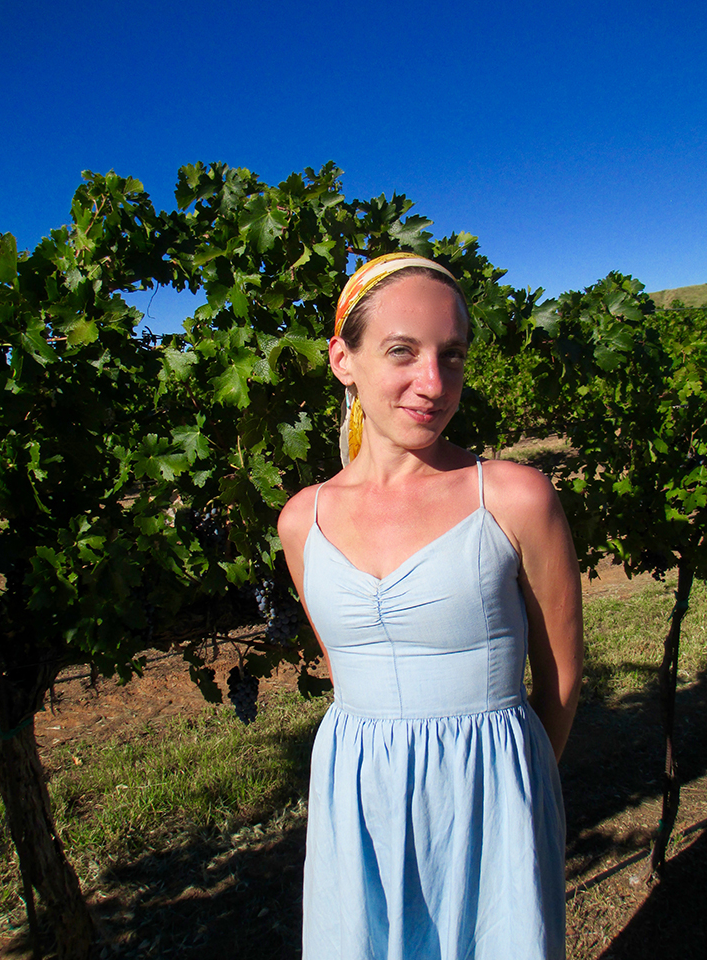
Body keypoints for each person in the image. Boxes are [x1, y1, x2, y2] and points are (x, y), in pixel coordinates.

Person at [277, 252, 583, 960]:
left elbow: (561, 678)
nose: (434, 383)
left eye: (452, 355)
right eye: (402, 352)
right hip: (358, 798)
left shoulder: (513, 497)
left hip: (491, 796)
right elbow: (344, 671)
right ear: (343, 360)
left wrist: (518, 792)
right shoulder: (302, 521)